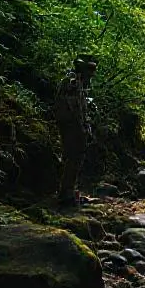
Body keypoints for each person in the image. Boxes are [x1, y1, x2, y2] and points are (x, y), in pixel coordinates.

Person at [55, 55, 96, 206]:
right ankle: (66, 193)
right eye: (90, 69)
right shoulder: (72, 82)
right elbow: (75, 109)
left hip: (72, 124)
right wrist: (84, 129)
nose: (92, 73)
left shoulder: (78, 82)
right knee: (74, 157)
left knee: (73, 157)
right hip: (71, 125)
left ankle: (69, 191)